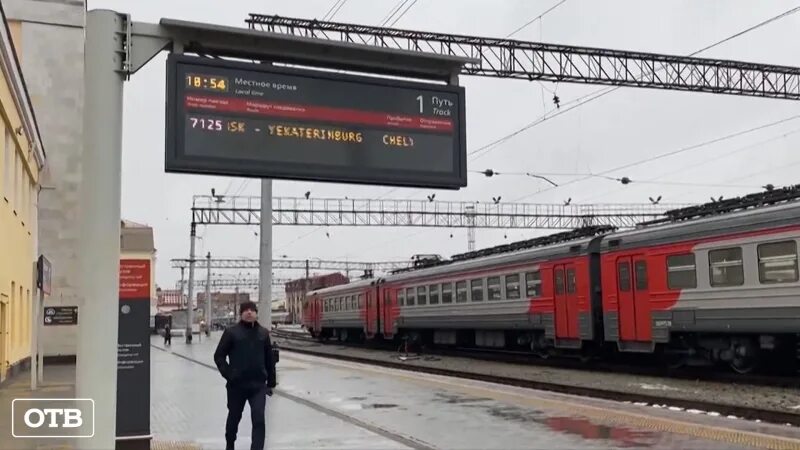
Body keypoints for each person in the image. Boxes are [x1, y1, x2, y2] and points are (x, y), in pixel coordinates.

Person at [214, 301, 277, 450]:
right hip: (237, 386)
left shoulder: (263, 333)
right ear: (240, 314)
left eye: (252, 310)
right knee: (234, 418)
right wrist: (229, 374)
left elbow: (270, 359)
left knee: (259, 420)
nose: (249, 312)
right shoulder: (231, 333)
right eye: (246, 310)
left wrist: (271, 383)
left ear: (256, 313)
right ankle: (230, 444)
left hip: (258, 386)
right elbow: (219, 356)